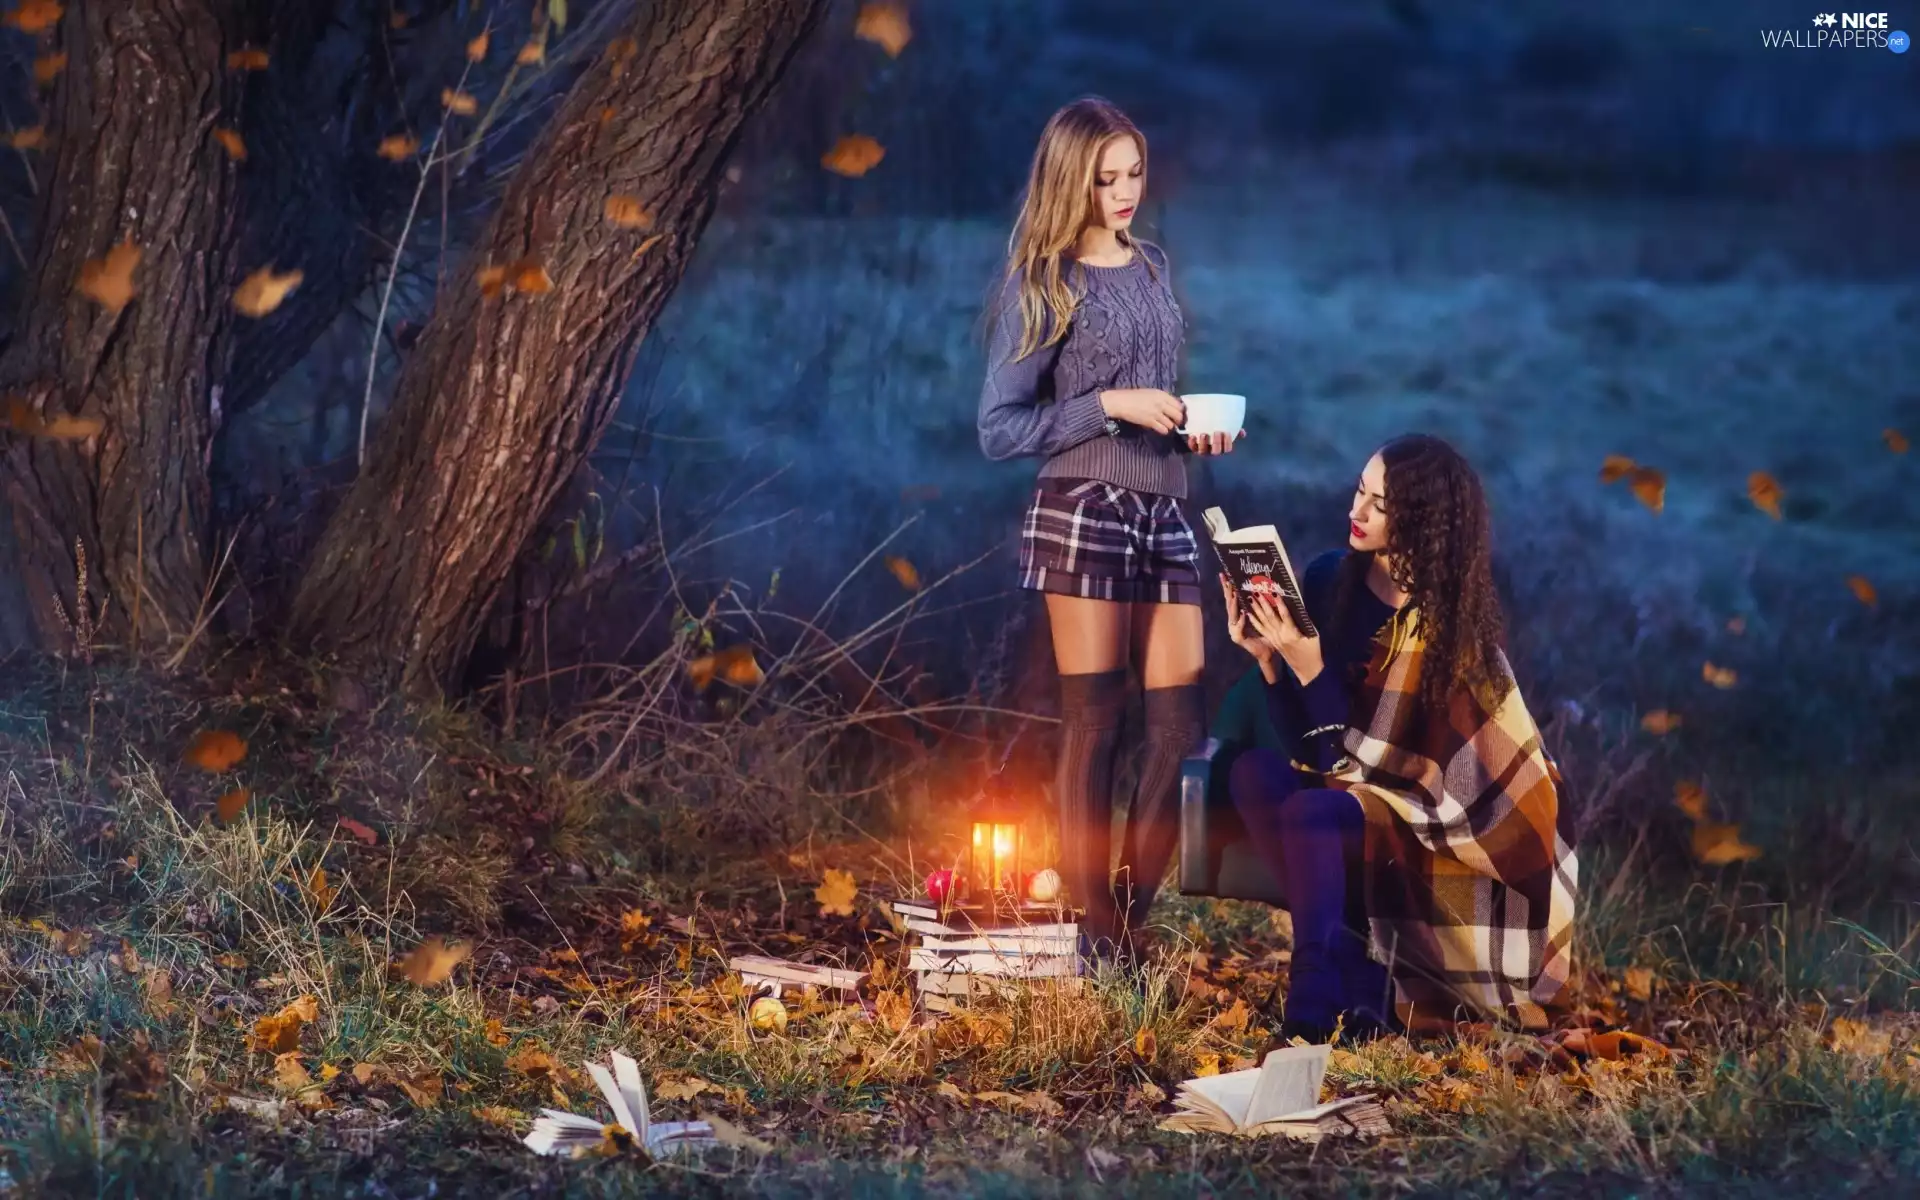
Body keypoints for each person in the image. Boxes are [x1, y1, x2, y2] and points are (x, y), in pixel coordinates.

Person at [977, 97, 1239, 963]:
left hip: (1165, 505)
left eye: (1134, 173)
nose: (1126, 192)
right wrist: (1108, 406)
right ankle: (1096, 938)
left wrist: (1190, 427)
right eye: (1106, 178)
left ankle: (1126, 917)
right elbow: (1000, 428)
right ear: (1071, 179)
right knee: (1096, 722)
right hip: (1082, 507)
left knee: (1180, 729)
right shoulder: (1044, 282)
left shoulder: (1153, 265)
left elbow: (1156, 395)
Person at [1220, 434, 1577, 1042]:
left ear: (1420, 521)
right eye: (1360, 491)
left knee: (1314, 809)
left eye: (1379, 504)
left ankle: (1312, 993)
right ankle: (1355, 967)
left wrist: (1311, 670)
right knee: (1254, 775)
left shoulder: (1448, 630)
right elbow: (1315, 750)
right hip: (1356, 800)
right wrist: (1271, 663)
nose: (1356, 512)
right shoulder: (1332, 579)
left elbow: (1404, 781)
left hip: (1443, 833)